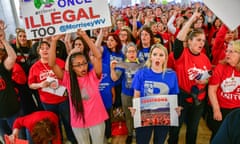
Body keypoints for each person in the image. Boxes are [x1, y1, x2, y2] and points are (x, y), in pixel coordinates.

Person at [48, 29, 108, 144]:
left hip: (97, 120)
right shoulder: (68, 79)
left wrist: (85, 36)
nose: (83, 68)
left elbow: (98, 56)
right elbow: (52, 64)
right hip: (78, 122)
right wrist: (54, 41)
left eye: (84, 63)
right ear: (72, 67)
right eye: (78, 65)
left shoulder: (93, 76)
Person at [168, 10, 212, 144]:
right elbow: (179, 38)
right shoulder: (181, 55)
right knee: (175, 129)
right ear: (189, 40)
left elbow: (209, 74)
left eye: (203, 41)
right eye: (198, 40)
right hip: (182, 99)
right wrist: (193, 18)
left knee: (193, 130)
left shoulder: (205, 58)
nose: (201, 43)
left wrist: (205, 80)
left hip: (198, 101)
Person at [28, 40, 76, 143]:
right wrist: (40, 85)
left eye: (47, 47)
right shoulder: (34, 67)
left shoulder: (59, 62)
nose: (45, 50)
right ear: (38, 51)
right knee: (53, 124)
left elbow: (68, 77)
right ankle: (58, 141)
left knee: (68, 121)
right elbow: (31, 85)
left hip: (63, 99)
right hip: (47, 102)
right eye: (42, 48)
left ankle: (72, 140)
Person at [131, 43, 180, 144]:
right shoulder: (141, 73)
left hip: (163, 115)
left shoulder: (172, 75)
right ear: (150, 57)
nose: (158, 57)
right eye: (155, 54)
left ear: (165, 58)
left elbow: (173, 96)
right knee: (142, 141)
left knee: (160, 141)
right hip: (145, 114)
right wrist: (134, 107)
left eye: (161, 55)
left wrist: (176, 108)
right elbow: (136, 95)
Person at [110, 42, 143, 144]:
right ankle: (129, 133)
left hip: (140, 95)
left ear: (137, 52)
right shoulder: (123, 65)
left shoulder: (142, 64)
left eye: (133, 51)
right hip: (126, 94)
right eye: (129, 52)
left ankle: (138, 133)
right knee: (128, 116)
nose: (132, 53)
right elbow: (115, 78)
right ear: (126, 54)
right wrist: (112, 68)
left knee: (140, 115)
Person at [208, 40, 240, 141]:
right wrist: (216, 110)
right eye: (227, 51)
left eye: (232, 51)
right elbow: (212, 90)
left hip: (237, 110)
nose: (227, 54)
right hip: (221, 109)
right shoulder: (220, 67)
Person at [0, 21, 20, 143]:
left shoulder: (2, 67)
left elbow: (12, 57)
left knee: (18, 139)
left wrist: (3, 40)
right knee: (7, 141)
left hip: (12, 112)